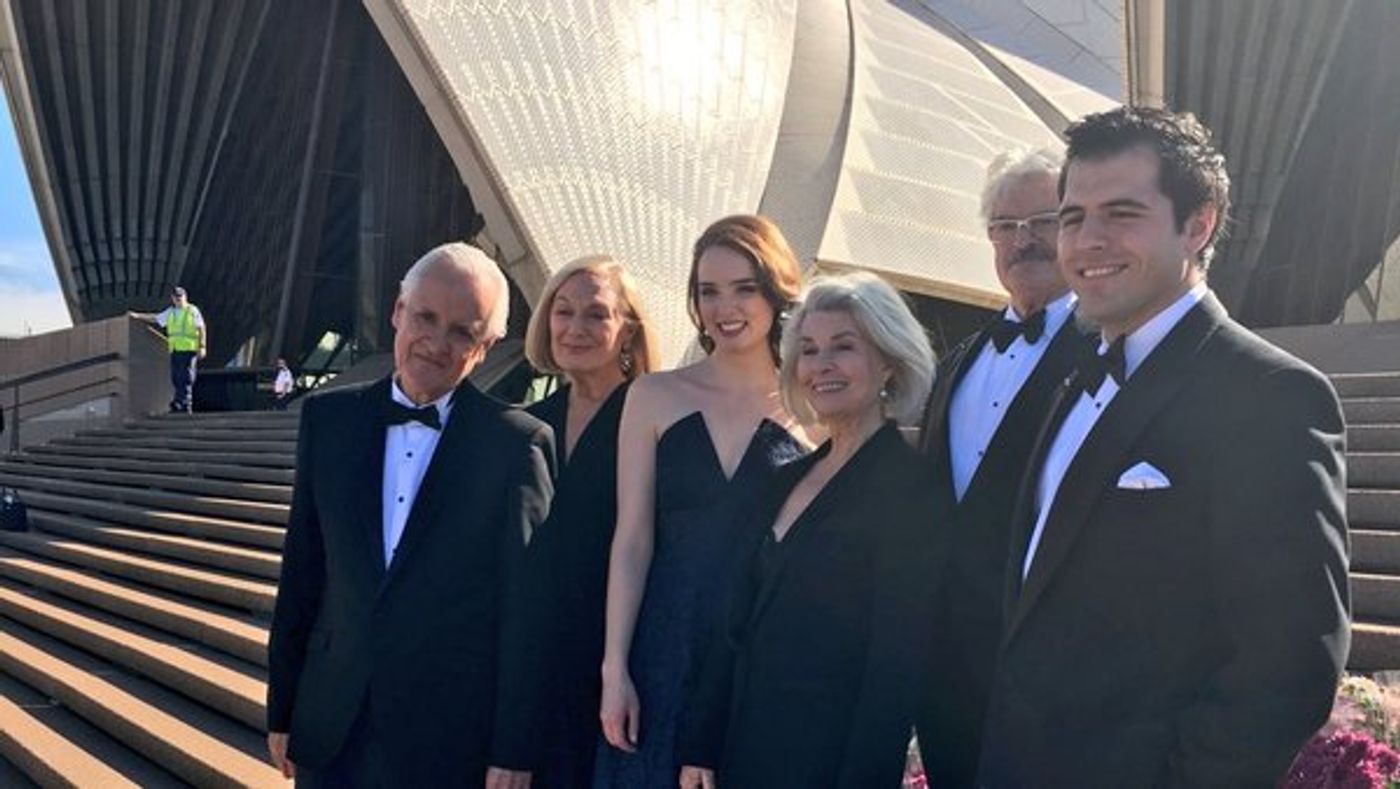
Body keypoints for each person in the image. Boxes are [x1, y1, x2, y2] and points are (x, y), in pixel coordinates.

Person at [979, 106, 1349, 787]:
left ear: (1198, 223)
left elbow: (1291, 661)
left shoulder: (1271, 395)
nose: (1086, 240)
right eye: (1071, 216)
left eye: (1121, 213)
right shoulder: (1074, 379)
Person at [265, 242, 555, 788]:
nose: (437, 342)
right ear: (399, 310)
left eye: (462, 331)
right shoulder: (328, 420)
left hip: (447, 740)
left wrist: (514, 748)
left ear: (487, 346)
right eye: (425, 317)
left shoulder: (516, 446)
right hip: (331, 723)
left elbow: (527, 614)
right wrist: (283, 706)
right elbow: (303, 572)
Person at [678, 272, 942, 788]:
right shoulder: (785, 477)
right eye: (810, 349)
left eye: (844, 347)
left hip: (824, 763)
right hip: (740, 751)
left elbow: (895, 663)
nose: (821, 365)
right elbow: (735, 625)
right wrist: (700, 749)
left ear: (888, 360)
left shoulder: (913, 489)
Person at [595, 215, 810, 787]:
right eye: (709, 291)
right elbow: (633, 538)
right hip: (659, 650)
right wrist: (615, 667)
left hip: (757, 657)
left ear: (774, 290)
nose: (726, 307)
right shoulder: (653, 395)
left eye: (744, 288)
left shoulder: (814, 408)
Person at [914, 148, 1093, 787]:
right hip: (949, 678)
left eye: (1044, 220)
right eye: (1006, 226)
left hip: (1049, 681)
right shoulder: (956, 363)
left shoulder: (1113, 355)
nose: (1025, 240)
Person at [490, 255, 660, 788]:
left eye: (596, 314)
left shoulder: (659, 422)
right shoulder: (525, 426)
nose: (574, 328)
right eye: (563, 311)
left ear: (628, 331)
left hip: (618, 667)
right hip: (529, 666)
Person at [129, 286, 207, 413]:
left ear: (185, 297)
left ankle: (184, 404)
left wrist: (202, 346)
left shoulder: (192, 310)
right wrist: (138, 316)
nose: (178, 300)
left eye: (180, 297)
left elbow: (201, 328)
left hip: (189, 348)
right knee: (176, 377)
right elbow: (156, 318)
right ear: (172, 298)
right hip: (175, 348)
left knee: (186, 377)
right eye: (176, 298)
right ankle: (179, 402)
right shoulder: (170, 312)